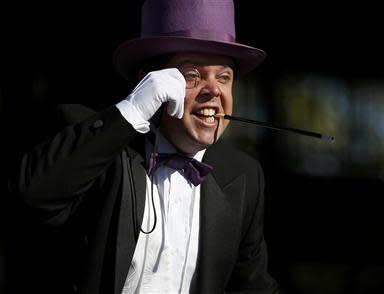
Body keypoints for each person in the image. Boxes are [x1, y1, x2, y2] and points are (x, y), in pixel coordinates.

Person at [6, 0, 280, 293]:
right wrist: (133, 109)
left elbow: (252, 286)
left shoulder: (244, 175)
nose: (214, 90)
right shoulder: (94, 143)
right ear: (150, 80)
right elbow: (30, 197)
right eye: (193, 75)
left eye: (224, 77)